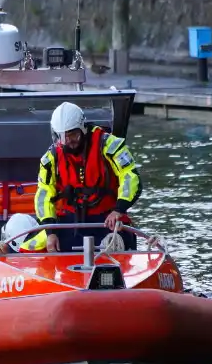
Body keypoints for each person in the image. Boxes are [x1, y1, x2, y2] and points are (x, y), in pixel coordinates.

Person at [35, 102, 142, 253]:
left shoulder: (109, 145)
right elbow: (44, 195)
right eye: (63, 136)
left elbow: (130, 176)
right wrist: (50, 232)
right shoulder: (51, 158)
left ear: (83, 129)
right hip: (71, 223)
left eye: (73, 134)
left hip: (108, 219)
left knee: (119, 243)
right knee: (43, 244)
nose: (69, 141)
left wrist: (119, 209)